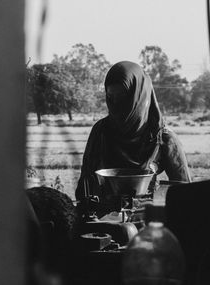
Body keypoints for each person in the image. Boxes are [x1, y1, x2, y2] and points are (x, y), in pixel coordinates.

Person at [75, 61, 191, 201]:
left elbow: (185, 192)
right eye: (111, 98)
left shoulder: (163, 138)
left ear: (139, 97)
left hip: (147, 217)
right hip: (103, 217)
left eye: (123, 98)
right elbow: (85, 183)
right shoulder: (101, 131)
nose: (116, 105)